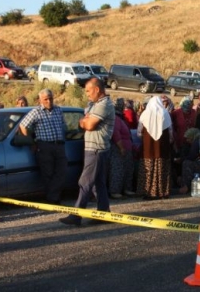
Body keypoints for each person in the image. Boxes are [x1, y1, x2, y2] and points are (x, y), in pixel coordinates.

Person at [59, 78, 116, 226]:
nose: (87, 95)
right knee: (98, 183)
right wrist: (84, 120)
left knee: (85, 182)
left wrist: (84, 121)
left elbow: (88, 124)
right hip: (95, 148)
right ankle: (104, 213)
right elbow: (84, 120)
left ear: (97, 90)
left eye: (88, 91)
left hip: (96, 149)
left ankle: (77, 215)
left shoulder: (104, 105)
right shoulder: (96, 105)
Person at [19, 88, 67, 204]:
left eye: (50, 99)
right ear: (40, 100)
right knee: (48, 173)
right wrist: (32, 142)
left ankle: (53, 196)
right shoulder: (36, 112)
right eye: (46, 99)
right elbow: (23, 125)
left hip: (59, 145)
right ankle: (53, 199)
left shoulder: (58, 110)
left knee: (62, 171)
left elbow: (63, 126)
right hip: (44, 146)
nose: (49, 101)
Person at [137, 96, 173, 200]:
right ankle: (162, 192)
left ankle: (147, 191)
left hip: (148, 148)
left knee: (148, 168)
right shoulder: (165, 113)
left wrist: (146, 138)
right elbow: (170, 131)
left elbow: (139, 132)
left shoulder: (145, 114)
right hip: (162, 147)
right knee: (162, 168)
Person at [108, 98, 135, 199]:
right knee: (117, 169)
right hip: (118, 148)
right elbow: (116, 134)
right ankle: (115, 191)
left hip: (126, 147)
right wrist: (121, 147)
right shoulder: (115, 119)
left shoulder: (120, 119)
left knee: (127, 169)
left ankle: (126, 189)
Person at [177, 128, 200, 194]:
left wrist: (181, 160)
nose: (187, 140)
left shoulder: (196, 143)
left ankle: (186, 186)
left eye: (188, 138)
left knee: (186, 163)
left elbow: (191, 157)